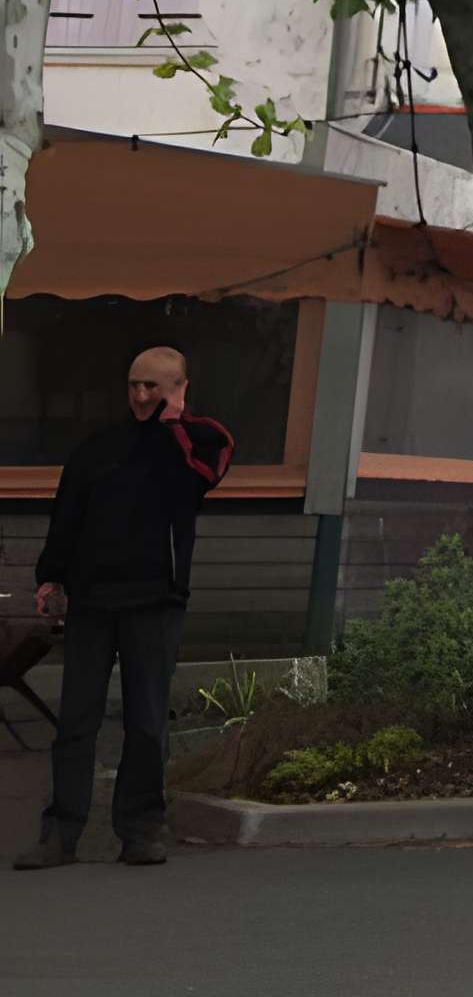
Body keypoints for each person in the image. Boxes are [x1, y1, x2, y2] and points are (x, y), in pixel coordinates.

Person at [15, 346, 233, 869]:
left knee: (147, 721)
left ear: (179, 387)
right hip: (93, 601)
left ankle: (140, 829)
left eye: (152, 387)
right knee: (76, 721)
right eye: (133, 386)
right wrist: (51, 577)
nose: (139, 396)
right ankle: (60, 833)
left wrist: (174, 423)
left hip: (156, 601)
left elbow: (201, 478)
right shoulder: (97, 448)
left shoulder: (202, 440)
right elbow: (67, 513)